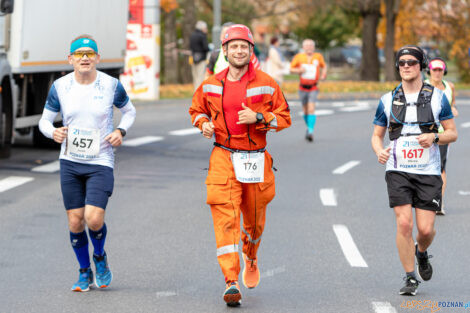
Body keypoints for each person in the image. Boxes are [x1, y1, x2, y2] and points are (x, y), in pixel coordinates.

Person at [189, 24, 291, 306]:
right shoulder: (211, 83)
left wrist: (259, 118)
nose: (238, 51)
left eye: (243, 47)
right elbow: (196, 110)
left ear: (250, 51)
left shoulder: (267, 82)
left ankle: (251, 255)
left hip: (256, 158)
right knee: (226, 216)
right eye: (233, 46)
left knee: (254, 221)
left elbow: (284, 118)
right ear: (224, 50)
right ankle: (231, 280)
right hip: (223, 155)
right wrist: (204, 123)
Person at [38, 35, 136, 292]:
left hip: (101, 160)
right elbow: (44, 121)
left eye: (89, 54)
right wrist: (53, 132)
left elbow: (130, 111)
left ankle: (100, 257)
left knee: (93, 219)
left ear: (97, 58)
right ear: (70, 59)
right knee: (74, 221)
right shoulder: (60, 86)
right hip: (70, 161)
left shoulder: (111, 85)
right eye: (79, 54)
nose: (84, 58)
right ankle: (84, 272)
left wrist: (121, 131)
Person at [371, 45, 457, 296]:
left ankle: (421, 252)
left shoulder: (438, 98)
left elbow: (452, 132)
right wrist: (379, 150)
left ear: (421, 66)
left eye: (411, 62)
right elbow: (377, 135)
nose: (406, 66)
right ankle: (410, 277)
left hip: (428, 170)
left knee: (426, 230)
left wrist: (434, 137)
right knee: (404, 223)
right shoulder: (387, 100)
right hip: (397, 168)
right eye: (401, 63)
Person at [425, 57, 458, 215]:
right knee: (424, 166)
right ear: (429, 71)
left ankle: (438, 202)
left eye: (440, 70)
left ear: (443, 71)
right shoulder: (423, 86)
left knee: (440, 168)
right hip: (424, 133)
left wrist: (453, 109)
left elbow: (452, 104)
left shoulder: (449, 86)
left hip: (442, 134)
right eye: (434, 70)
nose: (437, 73)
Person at [290, 39, 327, 142]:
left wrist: (323, 75)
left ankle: (310, 131)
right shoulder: (299, 57)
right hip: (302, 87)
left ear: (314, 47)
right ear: (303, 47)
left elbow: (324, 66)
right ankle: (308, 127)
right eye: (307, 46)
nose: (309, 47)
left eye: (311, 45)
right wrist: (299, 70)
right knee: (305, 110)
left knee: (311, 109)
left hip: (313, 87)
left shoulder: (318, 57)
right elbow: (291, 69)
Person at [189, 21, 210, 91]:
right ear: (202, 28)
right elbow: (206, 48)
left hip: (193, 58)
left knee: (195, 76)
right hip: (201, 59)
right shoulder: (202, 36)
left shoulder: (192, 35)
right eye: (205, 28)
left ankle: (195, 90)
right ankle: (199, 92)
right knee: (200, 76)